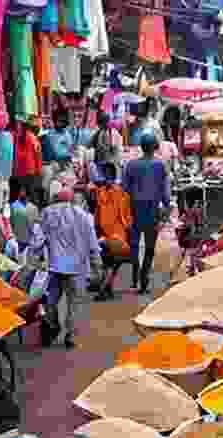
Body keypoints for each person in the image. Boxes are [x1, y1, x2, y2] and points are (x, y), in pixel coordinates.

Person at [30, 190, 102, 349]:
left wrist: (34, 257)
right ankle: (70, 336)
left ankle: (53, 325)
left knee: (51, 301)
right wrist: (97, 266)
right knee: (73, 303)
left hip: (55, 267)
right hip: (76, 268)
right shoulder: (82, 215)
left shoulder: (48, 213)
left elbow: (37, 239)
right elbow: (92, 243)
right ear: (71, 200)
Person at [122, 130, 170, 294]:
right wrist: (167, 205)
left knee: (134, 245)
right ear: (155, 147)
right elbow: (165, 191)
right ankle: (144, 278)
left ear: (142, 147)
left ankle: (135, 277)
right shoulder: (160, 165)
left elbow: (125, 190)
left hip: (134, 209)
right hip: (152, 210)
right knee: (150, 246)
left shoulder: (131, 165)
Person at [92, 163, 132, 302]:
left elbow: (123, 216)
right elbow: (126, 218)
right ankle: (106, 288)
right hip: (113, 235)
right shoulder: (116, 193)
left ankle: (105, 289)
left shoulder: (117, 193)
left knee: (110, 263)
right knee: (111, 264)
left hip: (113, 235)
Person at [14, 116, 43, 204]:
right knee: (32, 196)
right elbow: (37, 155)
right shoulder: (33, 138)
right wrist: (39, 171)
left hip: (19, 171)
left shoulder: (18, 136)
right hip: (30, 171)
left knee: (19, 196)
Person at [90, 112, 123, 183]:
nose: (99, 125)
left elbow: (116, 151)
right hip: (101, 166)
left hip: (112, 167)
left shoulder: (114, 133)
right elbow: (92, 146)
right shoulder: (97, 134)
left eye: (102, 123)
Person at [10, 187, 40, 254]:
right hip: (21, 240)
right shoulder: (14, 206)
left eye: (22, 192)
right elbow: (11, 222)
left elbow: (36, 225)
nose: (21, 193)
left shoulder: (33, 208)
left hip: (22, 240)